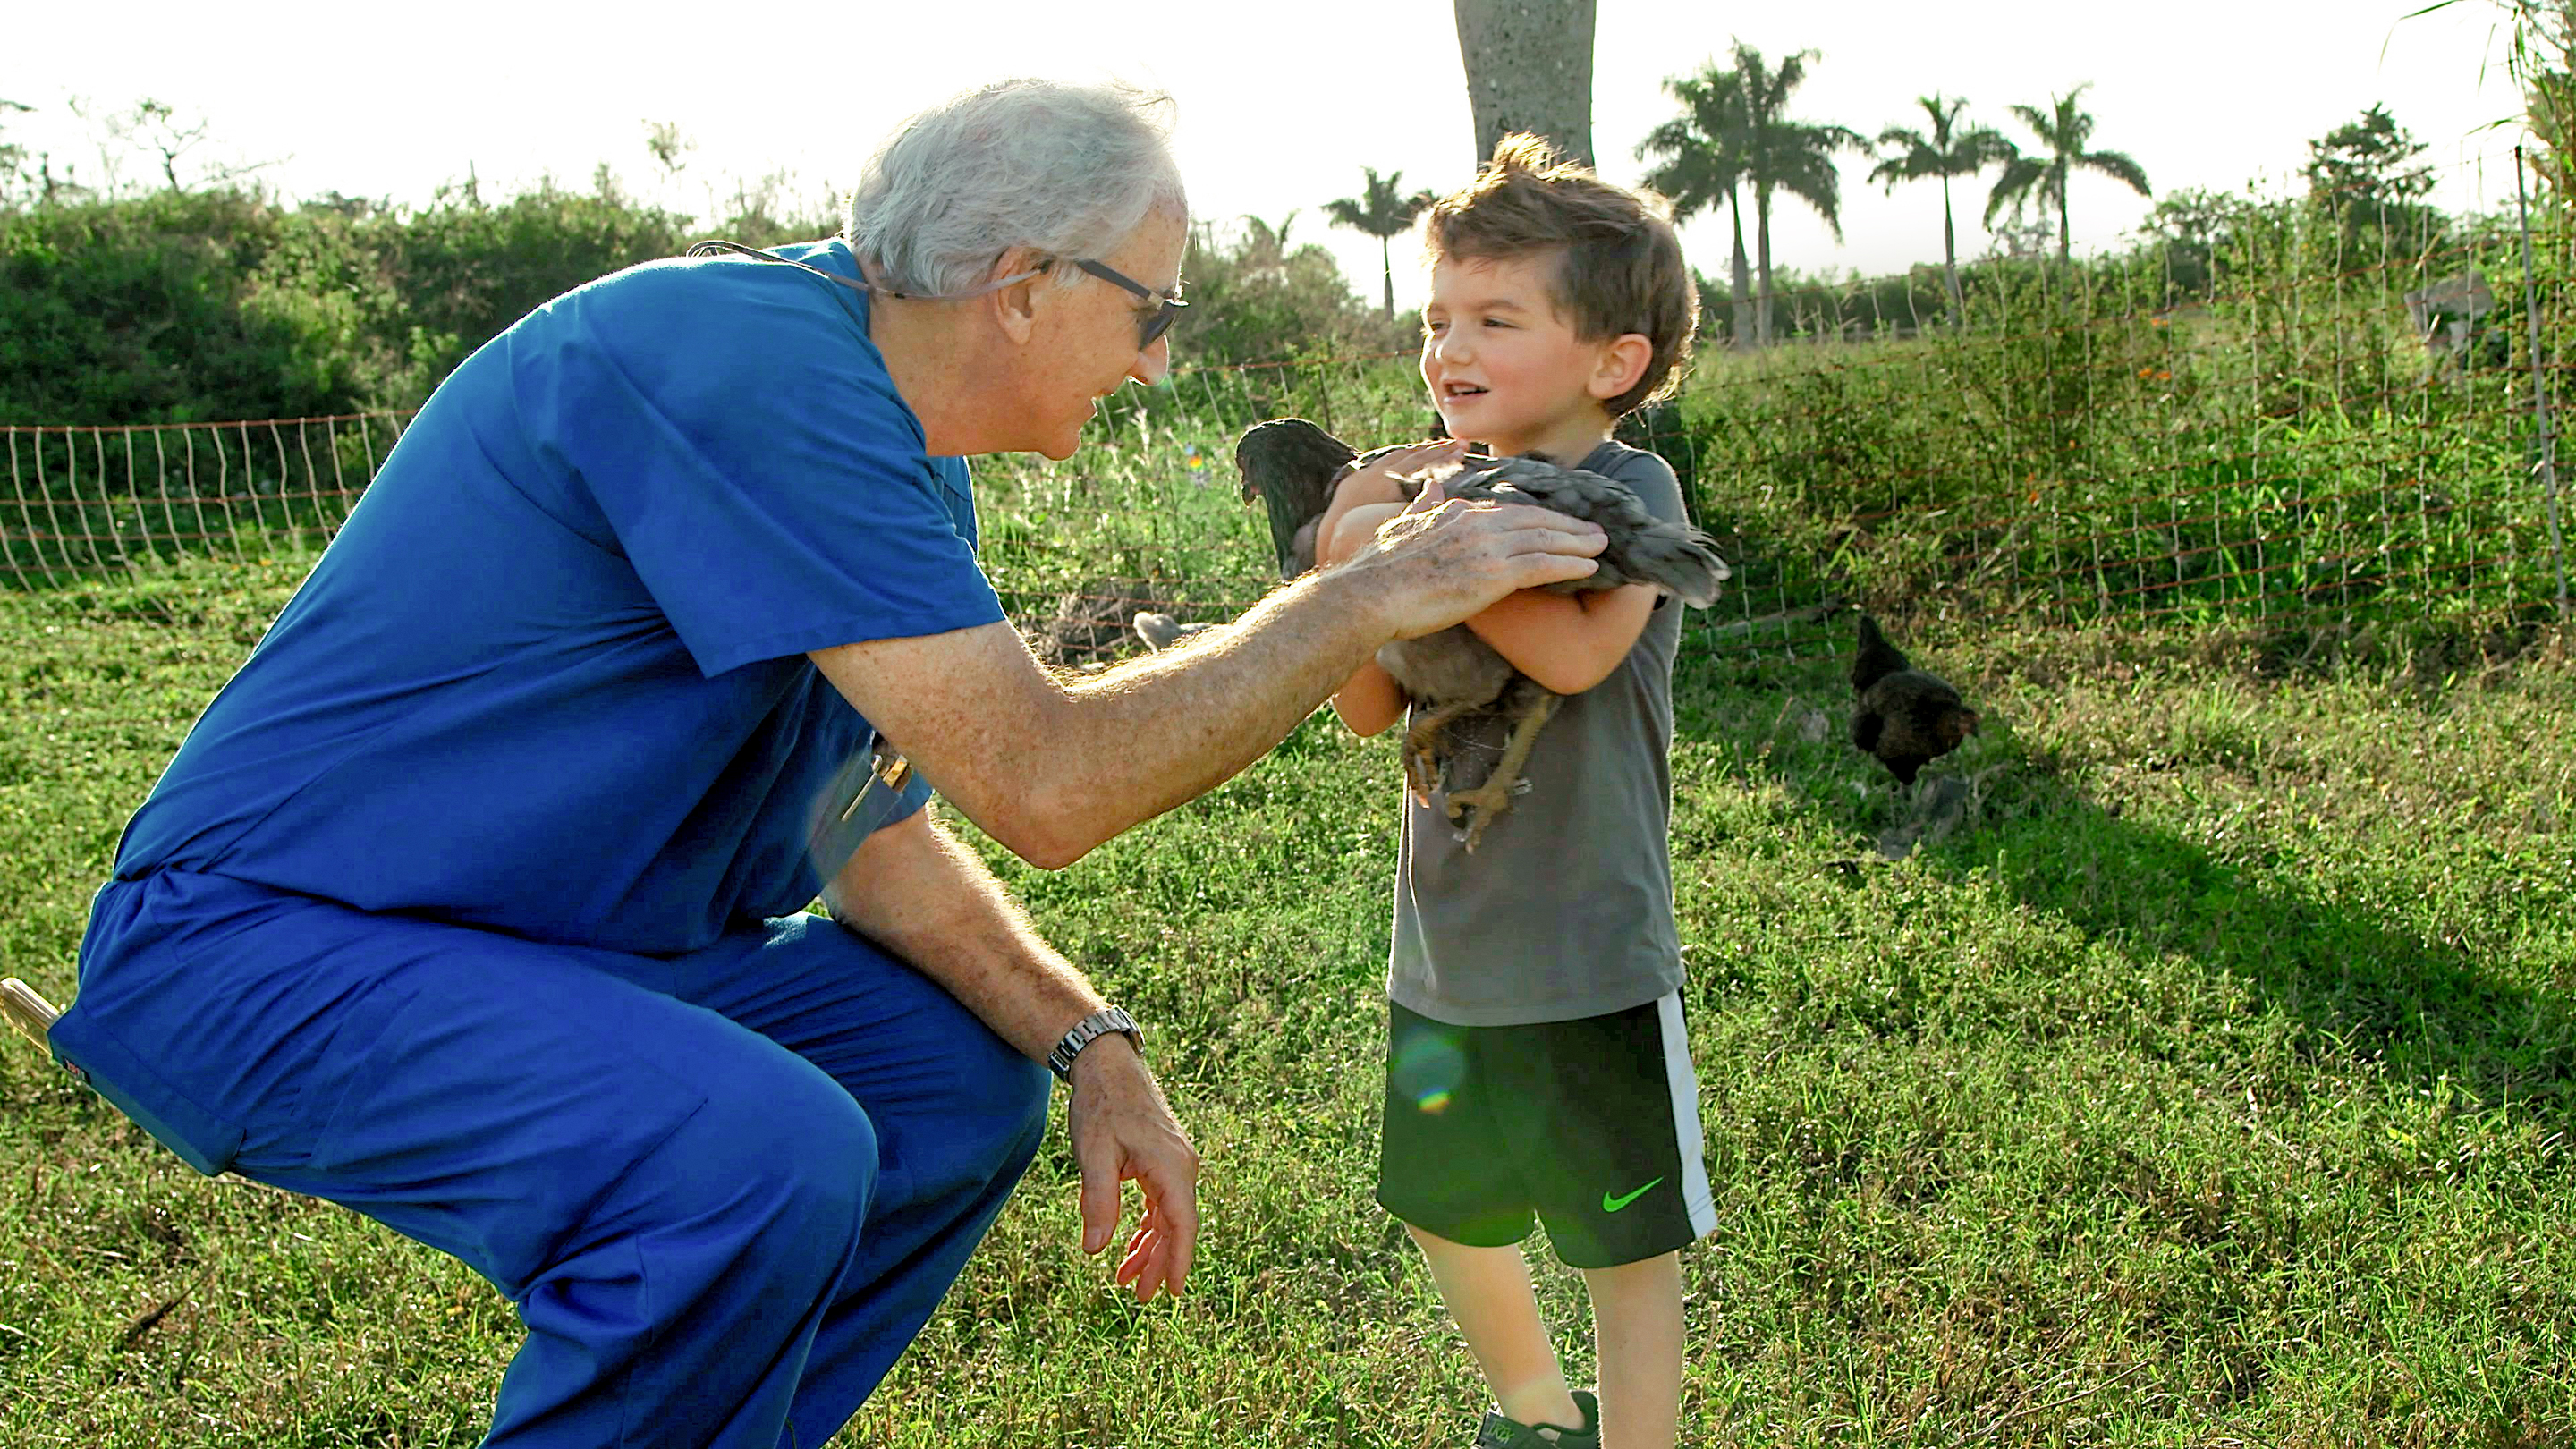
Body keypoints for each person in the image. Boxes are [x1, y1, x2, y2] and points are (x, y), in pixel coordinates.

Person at [47, 82, 1607, 1448]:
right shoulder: (741, 367)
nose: (1153, 365)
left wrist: (1090, 1045)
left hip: (547, 959)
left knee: (949, 1082)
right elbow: (1049, 784)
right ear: (1020, 284)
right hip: (259, 954)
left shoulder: (902, 457)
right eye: (1156, 310)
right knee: (758, 1152)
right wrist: (1360, 596)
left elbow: (866, 831)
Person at [1311, 136, 1716, 1449]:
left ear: (1614, 363)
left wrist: (1417, 541)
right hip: (1444, 957)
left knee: (1621, 1234)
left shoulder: (1626, 490)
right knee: (1443, 1204)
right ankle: (1541, 1418)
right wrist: (1354, 566)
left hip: (1589, 950)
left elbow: (1579, 651)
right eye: (1436, 319)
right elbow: (1369, 705)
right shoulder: (1422, 494)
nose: (1446, 349)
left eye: (1494, 317)